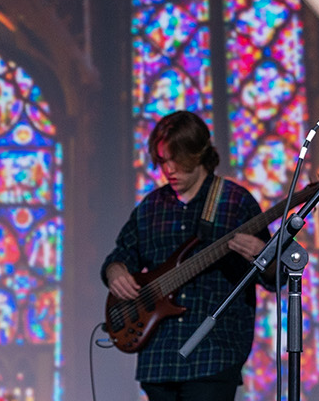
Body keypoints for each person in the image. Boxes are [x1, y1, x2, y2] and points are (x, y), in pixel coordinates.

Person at [102, 111, 273, 401]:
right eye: (163, 160)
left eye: (177, 160)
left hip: (213, 354)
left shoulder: (235, 201)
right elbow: (121, 255)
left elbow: (275, 278)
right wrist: (115, 271)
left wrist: (260, 254)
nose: (169, 169)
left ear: (198, 154)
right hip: (157, 358)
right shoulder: (151, 207)